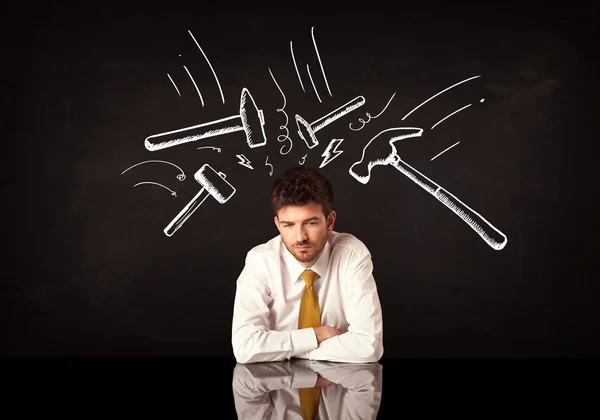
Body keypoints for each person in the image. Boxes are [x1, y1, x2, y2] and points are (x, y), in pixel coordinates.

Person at [231, 166, 383, 364]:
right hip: (277, 389)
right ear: (277, 224)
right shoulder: (261, 261)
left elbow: (368, 346)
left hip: (339, 387)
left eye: (311, 223)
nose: (300, 237)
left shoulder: (351, 254)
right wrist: (315, 336)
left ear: (330, 222)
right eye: (288, 225)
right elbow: (245, 348)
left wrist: (286, 349)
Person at [232, 359, 383, 419]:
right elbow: (366, 380)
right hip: (342, 369)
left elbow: (246, 382)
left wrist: (312, 379)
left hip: (273, 367)